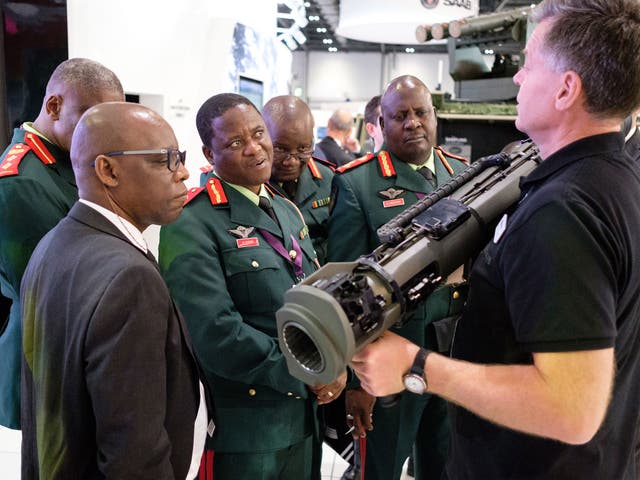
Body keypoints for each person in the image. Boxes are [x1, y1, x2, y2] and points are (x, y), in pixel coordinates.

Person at [351, 1, 640, 479]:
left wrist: (417, 365)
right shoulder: (610, 180)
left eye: (529, 64)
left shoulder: (563, 209)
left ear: (567, 89)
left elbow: (572, 410)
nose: (518, 79)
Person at [158, 93, 346, 480]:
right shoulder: (191, 224)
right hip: (246, 430)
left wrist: (334, 362)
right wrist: (309, 370)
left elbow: (313, 298)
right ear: (210, 156)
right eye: (234, 143)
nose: (255, 148)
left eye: (258, 134)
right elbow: (216, 333)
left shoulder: (284, 210)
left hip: (302, 419)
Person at [20, 102, 211, 479]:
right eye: (164, 160)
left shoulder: (53, 245)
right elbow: (133, 452)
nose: (183, 173)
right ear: (108, 170)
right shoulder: (128, 278)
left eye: (180, 158)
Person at [327, 75, 468, 480]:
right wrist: (357, 380)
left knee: (445, 467)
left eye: (421, 113)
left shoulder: (462, 173)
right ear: (381, 124)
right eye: (400, 116)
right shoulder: (357, 184)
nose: (413, 123)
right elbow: (346, 291)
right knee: (381, 469)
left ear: (434, 116)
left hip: (452, 352)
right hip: (391, 363)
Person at [0, 58, 124, 430]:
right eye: (91, 118)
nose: (101, 134)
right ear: (54, 106)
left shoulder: (68, 160)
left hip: (74, 356)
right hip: (41, 366)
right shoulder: (21, 183)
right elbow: (53, 291)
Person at [262, 95, 334, 265]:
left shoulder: (328, 179)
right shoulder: (250, 185)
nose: (291, 161)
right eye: (280, 148)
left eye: (303, 148)